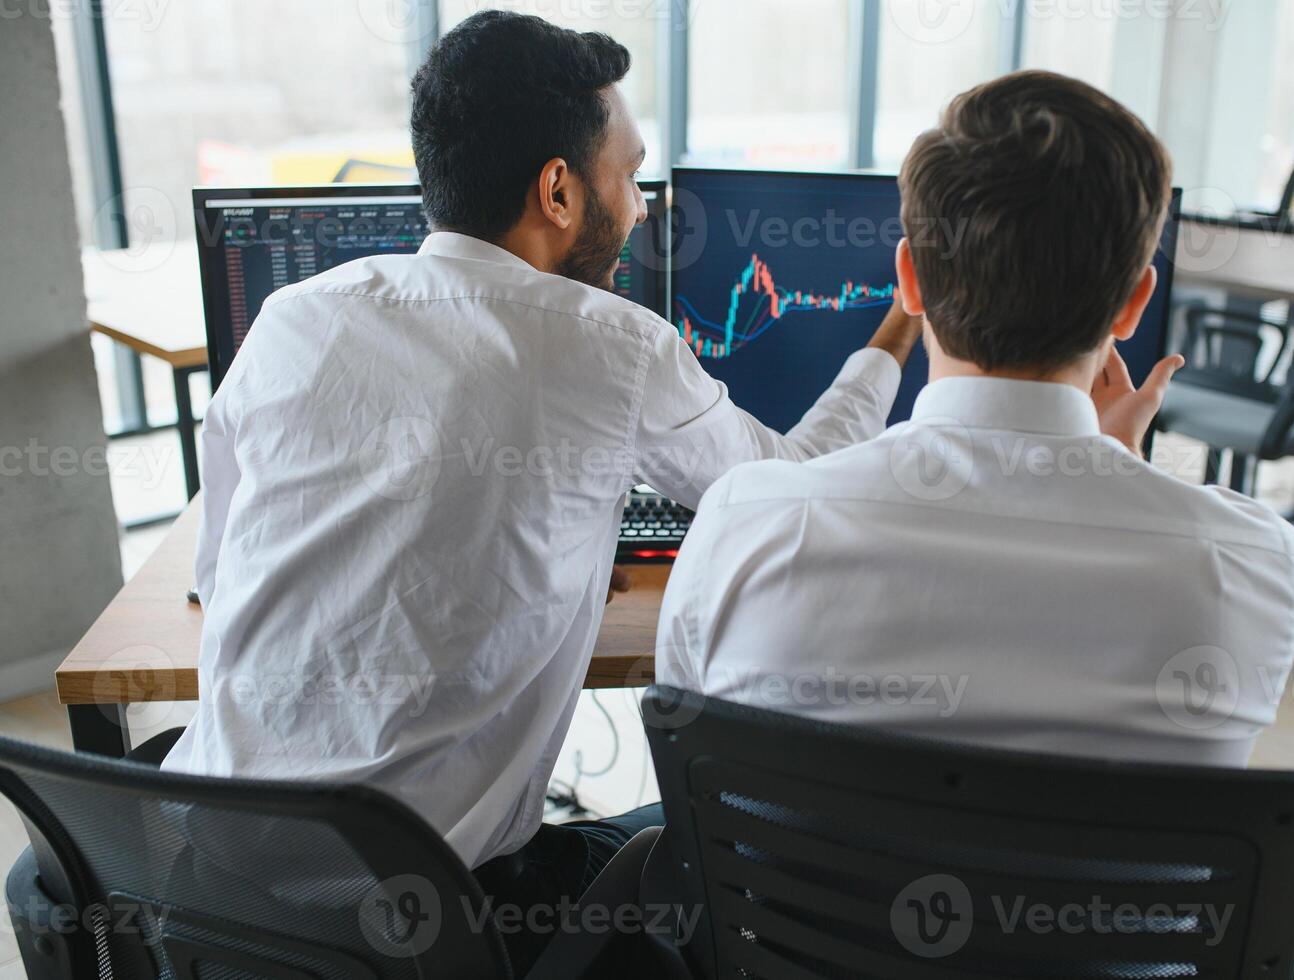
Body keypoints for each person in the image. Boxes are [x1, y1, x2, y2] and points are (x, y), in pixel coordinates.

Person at [161, 10, 920, 971]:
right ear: (558, 189)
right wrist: (899, 330)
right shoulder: (609, 342)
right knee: (711, 848)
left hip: (202, 898)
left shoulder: (290, 318)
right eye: (630, 174)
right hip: (429, 927)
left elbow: (219, 573)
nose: (643, 206)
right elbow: (793, 495)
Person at [657, 71, 1294, 768]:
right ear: (1132, 304)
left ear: (908, 280)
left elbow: (688, 764)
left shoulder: (745, 523)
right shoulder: (1252, 562)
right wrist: (1112, 465)